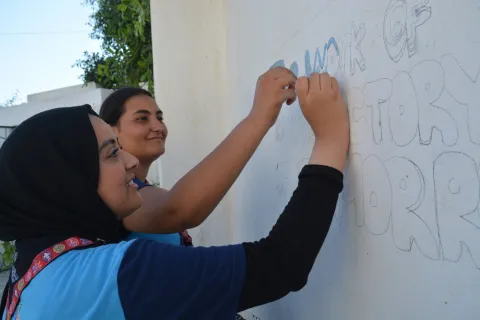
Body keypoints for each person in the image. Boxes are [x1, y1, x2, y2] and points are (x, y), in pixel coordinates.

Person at [0, 71, 349, 319]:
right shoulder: (110, 273)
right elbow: (278, 265)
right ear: (68, 183)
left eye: (159, 115)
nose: (130, 161)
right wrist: (330, 141)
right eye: (111, 151)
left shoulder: (40, 262)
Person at [99, 67, 298, 247]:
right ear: (111, 132)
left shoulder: (142, 190)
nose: (158, 127)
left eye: (159, 118)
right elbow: (177, 209)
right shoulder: (120, 196)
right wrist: (259, 116)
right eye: (142, 119)